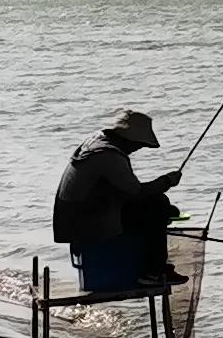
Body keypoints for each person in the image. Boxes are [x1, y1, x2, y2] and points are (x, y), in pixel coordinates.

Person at [52, 109, 183, 295]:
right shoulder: (109, 156)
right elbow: (137, 192)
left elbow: (125, 191)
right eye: (139, 145)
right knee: (157, 204)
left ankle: (154, 267)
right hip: (86, 223)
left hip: (76, 218)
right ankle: (153, 272)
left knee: (162, 207)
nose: (138, 149)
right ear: (129, 139)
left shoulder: (96, 141)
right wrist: (166, 181)